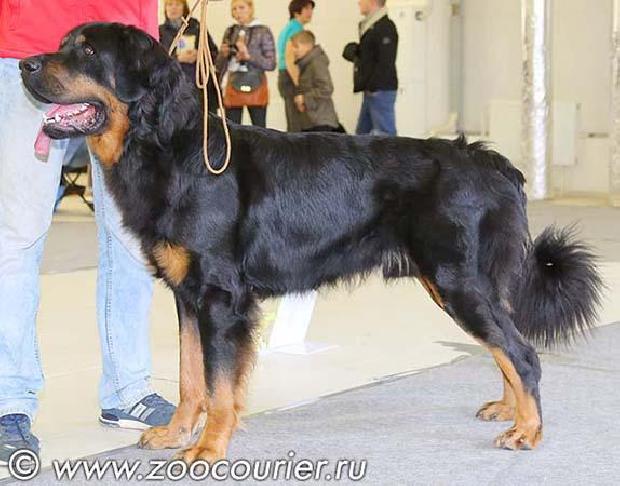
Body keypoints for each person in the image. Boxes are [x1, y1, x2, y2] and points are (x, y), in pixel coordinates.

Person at [0, 0, 175, 463]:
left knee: (132, 239)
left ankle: (128, 388)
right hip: (31, 47)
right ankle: (7, 400)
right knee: (16, 236)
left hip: (124, 58)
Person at [217, 0, 276, 127]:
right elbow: (219, 65)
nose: (238, 12)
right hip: (233, 82)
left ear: (250, 8)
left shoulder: (263, 31)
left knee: (259, 129)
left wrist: (249, 57)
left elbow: (271, 64)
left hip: (256, 82)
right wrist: (223, 54)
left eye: (241, 7)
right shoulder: (230, 31)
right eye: (234, 9)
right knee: (231, 129)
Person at [343, 0, 398, 136]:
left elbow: (386, 61)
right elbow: (373, 55)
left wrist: (374, 87)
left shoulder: (385, 27)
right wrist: (356, 51)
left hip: (379, 90)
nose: (359, 2)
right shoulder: (371, 27)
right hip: (372, 90)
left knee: (384, 135)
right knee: (362, 135)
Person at [159, 0, 220, 113]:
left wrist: (199, 55)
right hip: (172, 87)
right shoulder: (160, 31)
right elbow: (157, 61)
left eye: (177, 4)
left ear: (184, 8)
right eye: (170, 4)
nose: (173, 8)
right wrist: (177, 58)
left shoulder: (197, 27)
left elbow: (214, 53)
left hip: (198, 86)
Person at [291, 31, 344, 133]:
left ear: (308, 46)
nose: (293, 50)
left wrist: (304, 98)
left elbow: (326, 88)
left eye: (296, 46)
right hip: (312, 120)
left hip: (321, 120)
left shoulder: (317, 62)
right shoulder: (306, 64)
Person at [277, 0, 315, 132]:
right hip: (291, 77)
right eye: (307, 9)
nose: (310, 12)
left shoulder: (290, 27)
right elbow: (290, 59)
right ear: (297, 12)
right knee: (297, 123)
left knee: (294, 121)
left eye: (311, 9)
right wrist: (299, 86)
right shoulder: (295, 29)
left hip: (287, 76)